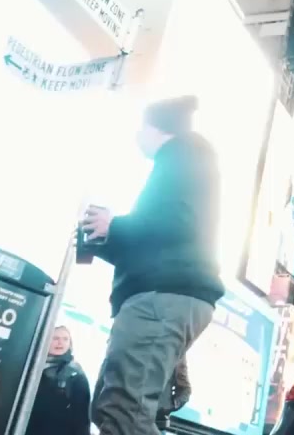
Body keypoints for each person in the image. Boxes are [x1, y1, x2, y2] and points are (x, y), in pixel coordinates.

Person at [81, 95, 225, 435]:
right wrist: (107, 238)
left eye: (140, 128)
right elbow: (165, 235)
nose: (136, 137)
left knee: (123, 410)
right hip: (167, 297)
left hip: (160, 300)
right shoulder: (187, 159)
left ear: (153, 127)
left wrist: (114, 225)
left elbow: (178, 221)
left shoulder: (182, 154)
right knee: (116, 409)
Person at [25, 325, 91, 435]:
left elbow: (82, 418)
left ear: (70, 344)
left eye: (65, 339)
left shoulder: (75, 375)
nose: (60, 343)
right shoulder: (30, 365)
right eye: (55, 338)